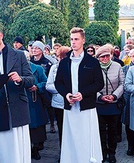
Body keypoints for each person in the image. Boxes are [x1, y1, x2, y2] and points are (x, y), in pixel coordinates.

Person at [0, 22, 34, 162]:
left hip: (18, 111)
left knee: (21, 154)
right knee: (4, 155)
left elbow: (30, 80)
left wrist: (19, 79)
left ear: (0, 35)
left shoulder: (19, 55)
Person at [55, 27, 104, 162]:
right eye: (71, 39)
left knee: (86, 138)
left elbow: (99, 83)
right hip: (70, 107)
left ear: (83, 40)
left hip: (87, 107)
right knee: (71, 138)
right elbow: (58, 83)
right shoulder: (64, 62)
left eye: (76, 39)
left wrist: (83, 93)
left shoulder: (92, 61)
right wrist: (66, 95)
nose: (73, 42)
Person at [96, 45, 125, 163]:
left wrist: (114, 95)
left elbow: (123, 84)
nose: (105, 59)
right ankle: (103, 153)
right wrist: (100, 96)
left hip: (114, 104)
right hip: (100, 104)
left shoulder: (117, 66)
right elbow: (90, 85)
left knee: (113, 131)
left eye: (107, 56)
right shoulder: (94, 68)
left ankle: (112, 153)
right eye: (102, 57)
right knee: (101, 131)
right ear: (98, 58)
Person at [46, 46, 71, 155]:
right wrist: (62, 89)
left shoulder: (74, 67)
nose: (62, 59)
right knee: (61, 130)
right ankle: (63, 153)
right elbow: (48, 85)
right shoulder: (54, 68)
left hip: (72, 103)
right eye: (60, 57)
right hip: (59, 104)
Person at [27, 60, 48, 160]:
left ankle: (35, 149)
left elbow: (45, 81)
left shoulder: (38, 68)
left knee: (37, 128)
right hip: (22, 102)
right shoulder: (15, 69)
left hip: (35, 101)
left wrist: (37, 86)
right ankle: (27, 149)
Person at [121, 48, 134, 156]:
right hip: (128, 100)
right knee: (128, 125)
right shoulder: (124, 69)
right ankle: (130, 146)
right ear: (130, 57)